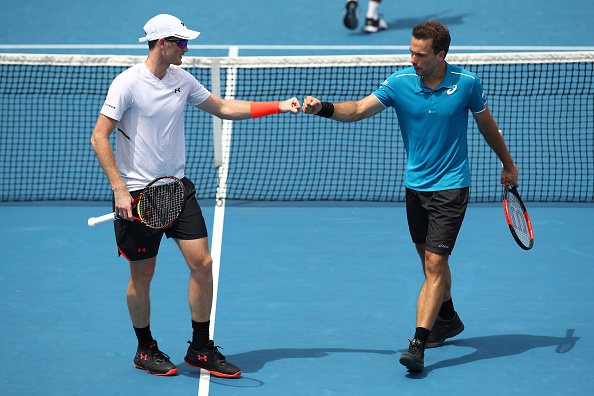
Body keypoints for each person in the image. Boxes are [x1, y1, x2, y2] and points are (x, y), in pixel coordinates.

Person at [90, 14, 301, 377]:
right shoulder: (126, 84)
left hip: (176, 189)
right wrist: (120, 190)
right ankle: (145, 348)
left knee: (202, 264)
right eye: (182, 43)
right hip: (138, 196)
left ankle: (200, 348)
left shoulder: (181, 79)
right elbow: (99, 137)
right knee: (143, 274)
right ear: (161, 43)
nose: (187, 48)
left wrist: (276, 106)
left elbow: (221, 107)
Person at [303, 20, 519, 372]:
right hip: (415, 187)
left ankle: (418, 343)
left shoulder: (467, 85)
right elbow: (358, 109)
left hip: (452, 186)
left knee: (434, 264)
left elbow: (486, 125)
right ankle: (448, 317)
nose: (413, 59)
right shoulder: (399, 83)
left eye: (420, 54)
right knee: (429, 260)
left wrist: (507, 164)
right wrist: (323, 108)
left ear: (441, 55)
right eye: (411, 52)